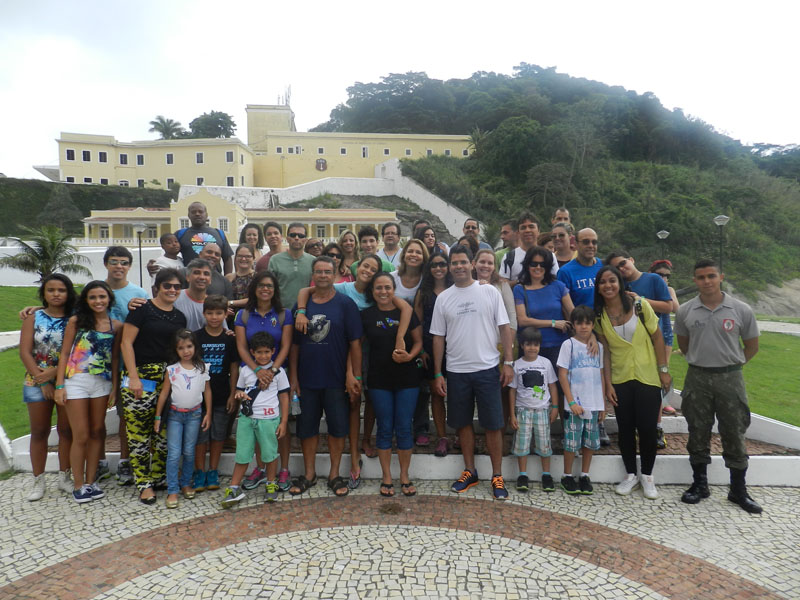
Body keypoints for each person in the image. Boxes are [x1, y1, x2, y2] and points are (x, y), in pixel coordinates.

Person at [295, 254, 412, 486]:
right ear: (357, 267)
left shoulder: (373, 293)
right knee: (329, 416)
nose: (368, 271)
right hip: (333, 360)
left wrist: (399, 339)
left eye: (374, 269)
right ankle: (330, 466)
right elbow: (307, 292)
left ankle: (356, 452)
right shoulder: (342, 289)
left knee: (358, 407)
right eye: (365, 266)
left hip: (366, 355)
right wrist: (300, 310)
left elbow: (404, 309)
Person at [675, 259, 762, 514]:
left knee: (734, 431)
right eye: (701, 277)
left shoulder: (741, 309)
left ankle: (738, 490)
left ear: (721, 277)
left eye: (711, 276)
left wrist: (732, 365)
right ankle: (700, 484)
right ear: (694, 280)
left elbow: (752, 346)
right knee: (697, 430)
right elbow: (684, 344)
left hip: (730, 379)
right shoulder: (685, 311)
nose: (707, 281)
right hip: (698, 377)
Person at [431, 245, 515, 500]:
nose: (458, 266)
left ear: (472, 264)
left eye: (462, 262)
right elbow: (438, 337)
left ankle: (497, 475)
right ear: (450, 267)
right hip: (456, 371)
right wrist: (438, 373)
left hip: (487, 369)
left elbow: (504, 327)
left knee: (493, 424)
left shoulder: (489, 291)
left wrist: (508, 362)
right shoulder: (443, 298)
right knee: (463, 423)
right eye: (454, 262)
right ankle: (470, 471)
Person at [594, 265, 671, 500]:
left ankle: (647, 475)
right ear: (598, 287)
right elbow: (606, 352)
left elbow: (657, 337)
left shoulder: (639, 305)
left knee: (647, 428)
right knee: (625, 429)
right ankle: (631, 474)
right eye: (603, 282)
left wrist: (663, 370)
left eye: (612, 280)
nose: (608, 285)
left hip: (647, 375)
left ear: (620, 283)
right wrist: (608, 384)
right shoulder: (599, 316)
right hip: (620, 377)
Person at [288, 256, 363, 497]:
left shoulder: (345, 304)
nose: (323, 275)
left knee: (338, 429)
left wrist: (355, 376)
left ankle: (334, 474)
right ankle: (309, 474)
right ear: (313, 275)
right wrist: (293, 378)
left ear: (334, 275)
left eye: (327, 272)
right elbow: (294, 345)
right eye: (318, 271)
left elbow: (355, 343)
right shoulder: (301, 306)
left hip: (336, 379)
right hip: (307, 379)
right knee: (306, 429)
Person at [120, 268, 188, 504]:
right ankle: (143, 483)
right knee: (139, 433)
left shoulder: (179, 317)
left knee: (164, 431)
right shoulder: (142, 310)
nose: (172, 290)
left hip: (168, 379)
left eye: (177, 286)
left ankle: (159, 476)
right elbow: (126, 343)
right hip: (141, 377)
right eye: (167, 285)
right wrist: (133, 376)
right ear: (157, 287)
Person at [54, 281, 122, 503]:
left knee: (96, 431)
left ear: (109, 299)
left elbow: (115, 358)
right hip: (76, 380)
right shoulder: (76, 322)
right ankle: (78, 484)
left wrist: (114, 387)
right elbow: (65, 354)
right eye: (93, 297)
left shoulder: (116, 326)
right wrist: (59, 385)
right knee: (81, 434)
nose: (98, 301)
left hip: (102, 383)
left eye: (102, 296)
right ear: (86, 300)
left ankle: (91, 481)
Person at [362, 273, 424, 497]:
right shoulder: (366, 315)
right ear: (372, 291)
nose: (383, 292)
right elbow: (357, 346)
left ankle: (404, 476)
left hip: (407, 378)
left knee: (404, 426)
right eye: (379, 288)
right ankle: (386, 476)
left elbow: (418, 342)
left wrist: (410, 356)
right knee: (385, 427)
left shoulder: (405, 311)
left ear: (393, 289)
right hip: (379, 379)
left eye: (387, 287)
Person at [607, 251, 677, 446]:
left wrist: (641, 300)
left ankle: (656, 427)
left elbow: (668, 306)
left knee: (656, 383)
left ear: (631, 260)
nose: (622, 269)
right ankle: (638, 427)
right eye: (617, 268)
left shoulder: (653, 279)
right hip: (632, 342)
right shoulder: (620, 285)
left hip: (657, 338)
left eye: (623, 263)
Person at [234, 271, 294, 492]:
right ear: (254, 289)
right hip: (251, 375)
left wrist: (272, 370)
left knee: (279, 425)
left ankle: (283, 469)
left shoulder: (284, 314)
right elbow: (241, 347)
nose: (265, 289)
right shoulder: (243, 315)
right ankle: (260, 468)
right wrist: (258, 370)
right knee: (257, 423)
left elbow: (286, 346)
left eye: (269, 285)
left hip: (277, 375)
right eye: (261, 285)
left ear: (275, 289)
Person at [19, 274, 76, 501]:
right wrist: (42, 380)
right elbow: (25, 352)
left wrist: (54, 375)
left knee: (66, 430)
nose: (56, 294)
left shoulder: (75, 318)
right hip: (35, 380)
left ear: (68, 293)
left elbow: (76, 352)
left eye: (61, 290)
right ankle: (38, 480)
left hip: (66, 379)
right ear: (44, 293)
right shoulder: (33, 317)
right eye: (51, 290)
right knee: (39, 431)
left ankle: (65, 477)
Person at [221, 331, 290, 507]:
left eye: (267, 352)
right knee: (242, 454)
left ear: (273, 351)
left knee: (270, 454)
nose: (263, 356)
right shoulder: (245, 370)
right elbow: (238, 390)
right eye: (259, 352)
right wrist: (239, 394)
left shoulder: (279, 372)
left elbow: (284, 397)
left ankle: (271, 483)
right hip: (246, 419)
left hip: (269, 419)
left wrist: (283, 422)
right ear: (252, 352)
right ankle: (234, 488)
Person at [154, 329, 211, 509]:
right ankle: (172, 489)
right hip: (175, 416)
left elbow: (207, 391)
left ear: (195, 347)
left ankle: (186, 482)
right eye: (181, 348)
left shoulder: (202, 368)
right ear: (176, 350)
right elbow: (164, 394)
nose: (186, 351)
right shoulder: (172, 370)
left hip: (194, 415)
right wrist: (157, 417)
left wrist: (208, 413)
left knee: (189, 451)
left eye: (189, 346)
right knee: (173, 453)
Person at [557, 305, 606, 495]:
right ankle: (567, 475)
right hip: (574, 404)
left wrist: (602, 405)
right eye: (579, 323)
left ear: (593, 325)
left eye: (588, 323)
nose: (584, 327)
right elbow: (562, 374)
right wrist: (570, 402)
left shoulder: (598, 347)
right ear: (574, 325)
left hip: (593, 403)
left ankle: (585, 475)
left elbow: (601, 375)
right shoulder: (568, 345)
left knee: (589, 442)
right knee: (571, 442)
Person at [193, 295, 239, 493]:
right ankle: (199, 471)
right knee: (200, 436)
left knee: (218, 435)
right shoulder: (196, 337)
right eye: (210, 313)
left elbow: (234, 367)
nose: (214, 317)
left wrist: (233, 393)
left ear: (226, 315)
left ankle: (213, 470)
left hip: (222, 393)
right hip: (198, 396)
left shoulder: (230, 339)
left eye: (218, 313)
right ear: (204, 314)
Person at [509, 327, 559, 493]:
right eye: (528, 344)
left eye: (536, 344)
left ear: (540, 346)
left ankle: (546, 474)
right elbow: (512, 390)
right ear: (522, 345)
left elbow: (552, 386)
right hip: (523, 411)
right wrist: (512, 414)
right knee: (522, 444)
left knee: (544, 444)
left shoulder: (546, 363)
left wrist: (555, 407)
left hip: (542, 410)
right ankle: (522, 475)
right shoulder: (517, 365)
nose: (532, 348)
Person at [414, 253, 453, 457]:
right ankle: (442, 436)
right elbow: (417, 323)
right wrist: (420, 349)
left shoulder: (456, 289)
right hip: (430, 346)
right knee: (436, 393)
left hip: (456, 346)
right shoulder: (423, 292)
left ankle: (461, 434)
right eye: (434, 265)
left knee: (457, 394)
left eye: (442, 264)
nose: (438, 268)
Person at [513, 247, 573, 377]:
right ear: (527, 265)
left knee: (560, 386)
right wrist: (553, 323)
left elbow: (573, 314)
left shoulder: (558, 286)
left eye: (542, 264)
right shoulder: (519, 289)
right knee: (534, 387)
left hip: (559, 347)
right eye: (534, 264)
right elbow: (522, 320)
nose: (538, 267)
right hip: (531, 349)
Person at [175, 201, 234, 274]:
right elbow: (170, 256)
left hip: (214, 277)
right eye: (193, 212)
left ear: (206, 215)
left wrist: (227, 278)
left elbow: (227, 258)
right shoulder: (180, 234)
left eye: (200, 211)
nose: (197, 214)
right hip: (189, 277)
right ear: (189, 215)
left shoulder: (219, 233)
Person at [499, 211, 558, 282]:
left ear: (538, 231)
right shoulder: (509, 257)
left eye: (531, 227)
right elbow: (503, 285)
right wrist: (521, 282)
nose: (527, 230)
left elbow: (555, 282)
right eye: (523, 228)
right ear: (518, 232)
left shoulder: (550, 256)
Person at [268, 222, 315, 308]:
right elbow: (269, 287)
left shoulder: (313, 261)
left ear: (305, 239)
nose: (297, 238)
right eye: (293, 235)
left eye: (301, 236)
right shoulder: (275, 260)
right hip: (281, 310)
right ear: (287, 238)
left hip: (305, 310)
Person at [174, 259, 228, 331]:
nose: (202, 277)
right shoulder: (175, 297)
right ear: (187, 277)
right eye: (197, 273)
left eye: (206, 274)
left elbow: (224, 331)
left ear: (210, 280)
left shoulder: (214, 303)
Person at [557, 228, 602, 308]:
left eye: (594, 242)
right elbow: (563, 306)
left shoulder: (603, 266)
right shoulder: (565, 272)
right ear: (576, 244)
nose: (591, 245)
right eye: (586, 242)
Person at [225, 243, 256, 325]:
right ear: (235, 258)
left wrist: (230, 303)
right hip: (231, 320)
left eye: (248, 256)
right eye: (240, 256)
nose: (243, 259)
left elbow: (255, 299)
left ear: (253, 258)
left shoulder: (258, 277)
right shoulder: (228, 278)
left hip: (252, 318)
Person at [391, 238, 428, 304]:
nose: (413, 255)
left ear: (424, 258)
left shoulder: (427, 280)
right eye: (410, 251)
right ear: (404, 255)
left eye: (418, 252)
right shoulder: (391, 277)